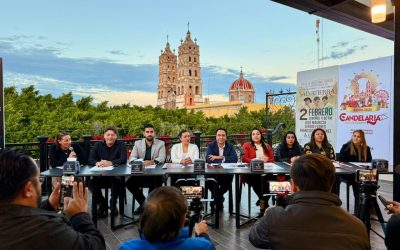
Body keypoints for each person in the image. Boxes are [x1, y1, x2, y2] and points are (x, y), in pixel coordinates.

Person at [249, 153, 369, 250]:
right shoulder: (357, 227)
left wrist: (266, 215)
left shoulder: (274, 218)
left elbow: (255, 238)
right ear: (331, 185)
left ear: (293, 186)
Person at [0, 148, 105, 249]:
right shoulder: (47, 229)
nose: (40, 184)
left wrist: (48, 205)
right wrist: (80, 215)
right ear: (28, 189)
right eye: (39, 179)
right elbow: (95, 245)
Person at [119, 186, 215, 250]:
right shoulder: (202, 246)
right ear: (182, 220)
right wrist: (203, 235)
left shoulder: (127, 248)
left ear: (144, 217)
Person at [125, 124, 166, 215]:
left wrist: (153, 161)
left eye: (151, 132)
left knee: (156, 183)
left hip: (155, 173)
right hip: (142, 172)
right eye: (147, 132)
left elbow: (162, 157)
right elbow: (132, 158)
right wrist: (141, 162)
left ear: (154, 133)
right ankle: (145, 204)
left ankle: (148, 206)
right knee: (129, 183)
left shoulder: (161, 143)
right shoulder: (137, 143)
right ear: (144, 133)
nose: (149, 134)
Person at [88, 126, 127, 218]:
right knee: (90, 183)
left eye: (112, 135)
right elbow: (90, 159)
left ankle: (113, 204)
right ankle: (103, 204)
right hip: (101, 175)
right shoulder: (98, 145)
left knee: (118, 181)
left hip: (115, 175)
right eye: (108, 135)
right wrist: (97, 163)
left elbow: (123, 159)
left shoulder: (120, 144)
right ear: (104, 136)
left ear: (116, 136)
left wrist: (111, 163)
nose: (110, 137)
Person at [242, 128, 275, 216]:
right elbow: (244, 158)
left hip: (266, 171)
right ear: (251, 136)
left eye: (258, 134)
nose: (256, 136)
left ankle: (262, 200)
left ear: (261, 135)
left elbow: (272, 159)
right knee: (257, 181)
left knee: (270, 181)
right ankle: (263, 201)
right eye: (253, 134)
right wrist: (255, 160)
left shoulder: (267, 146)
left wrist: (267, 160)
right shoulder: (247, 145)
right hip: (252, 172)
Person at [339, 129, 372, 212]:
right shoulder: (346, 146)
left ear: (362, 138)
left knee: (371, 179)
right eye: (354, 136)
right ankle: (359, 212)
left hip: (361, 173)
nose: (356, 138)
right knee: (359, 183)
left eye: (358, 136)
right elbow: (341, 161)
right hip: (348, 173)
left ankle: (367, 208)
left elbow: (369, 161)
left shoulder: (366, 148)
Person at [205, 128, 238, 212]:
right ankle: (219, 199)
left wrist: (219, 157)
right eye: (219, 135)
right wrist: (225, 159)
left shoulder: (230, 146)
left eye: (223, 135)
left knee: (227, 182)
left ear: (226, 137)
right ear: (216, 137)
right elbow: (208, 159)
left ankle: (215, 200)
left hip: (226, 173)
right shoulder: (211, 145)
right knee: (208, 182)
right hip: (213, 172)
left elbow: (234, 159)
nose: (221, 137)